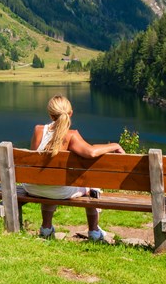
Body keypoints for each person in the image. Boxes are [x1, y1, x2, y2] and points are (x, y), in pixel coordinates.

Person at [25, 95, 124, 241]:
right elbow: (91, 152)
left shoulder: (38, 130)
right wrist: (115, 145)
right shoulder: (71, 135)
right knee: (91, 185)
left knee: (49, 180)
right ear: (70, 113)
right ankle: (94, 231)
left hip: (32, 188)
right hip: (57, 191)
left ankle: (46, 229)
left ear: (50, 114)